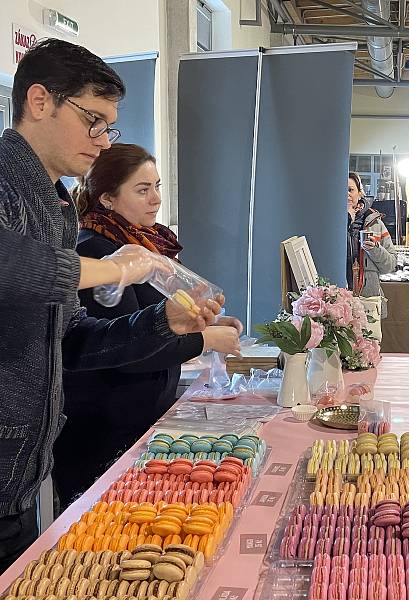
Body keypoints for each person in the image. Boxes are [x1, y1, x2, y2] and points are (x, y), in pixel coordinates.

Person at [0, 39, 225, 573]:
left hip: (22, 475)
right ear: (39, 101)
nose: (102, 141)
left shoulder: (53, 205)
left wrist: (163, 322)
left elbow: (75, 341)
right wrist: (117, 267)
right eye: (92, 121)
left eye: (108, 126)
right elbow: (12, 265)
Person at [54, 144, 243, 505]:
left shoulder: (142, 246)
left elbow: (162, 321)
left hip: (140, 415)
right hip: (104, 428)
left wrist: (203, 322)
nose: (155, 199)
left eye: (157, 186)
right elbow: (127, 349)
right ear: (107, 199)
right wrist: (206, 340)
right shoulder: (98, 253)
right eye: (142, 190)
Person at [347, 171, 396, 317]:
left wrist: (375, 249)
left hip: (367, 299)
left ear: (360, 193)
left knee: (368, 339)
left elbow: (390, 265)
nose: (347, 194)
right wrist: (346, 220)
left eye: (350, 190)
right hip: (336, 299)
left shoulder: (375, 222)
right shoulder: (330, 223)